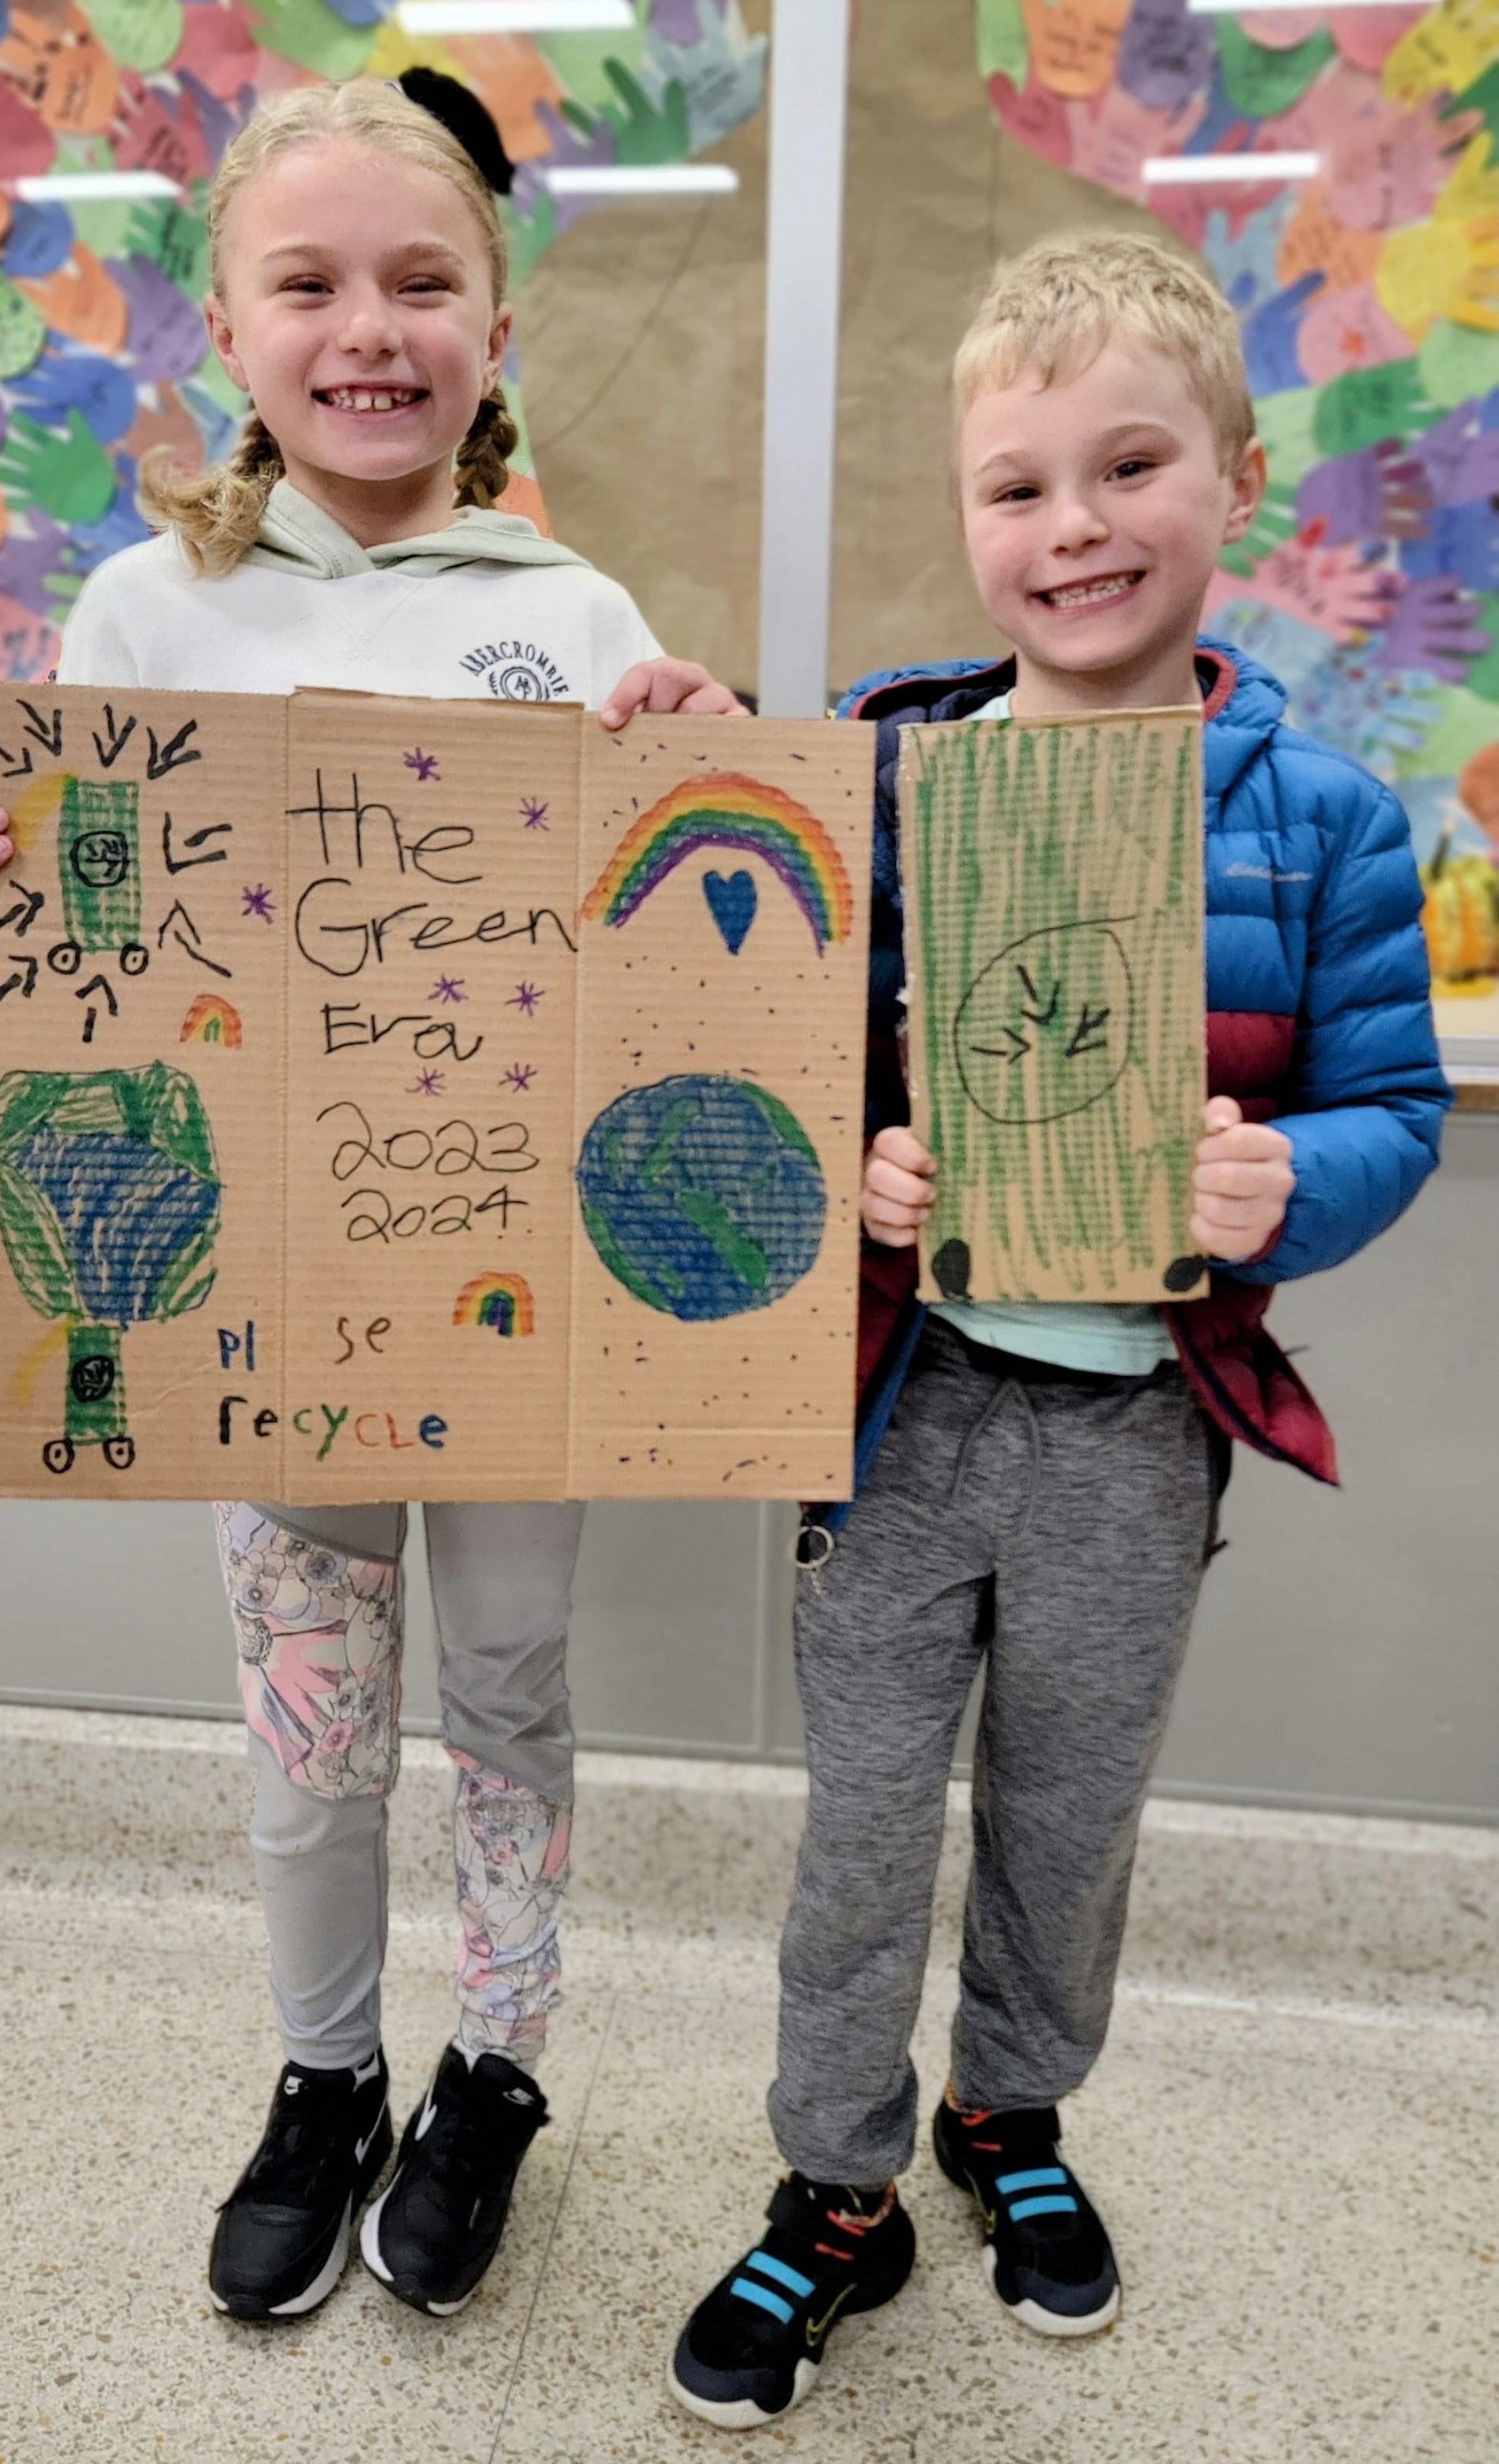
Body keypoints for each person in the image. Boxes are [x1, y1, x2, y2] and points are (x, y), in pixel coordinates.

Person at [0, 76, 742, 2329]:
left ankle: (495, 2066)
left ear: (494, 321)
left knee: (509, 1687)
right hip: (260, 1296)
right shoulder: (144, 606)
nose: (366, 326)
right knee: (302, 1710)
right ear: (230, 327)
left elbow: (670, 964)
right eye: (308, 281)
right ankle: (318, 2073)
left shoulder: (571, 614)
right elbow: (99, 971)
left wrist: (701, 754)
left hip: (511, 1295)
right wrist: (3, 898)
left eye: (418, 280)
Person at [667, 233, 1452, 2431]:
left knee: (1065, 1811)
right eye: (1016, 485)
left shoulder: (1316, 820)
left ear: (1238, 478)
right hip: (902, 1418)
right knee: (856, 1823)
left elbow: (1386, 1100)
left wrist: (1286, 1178)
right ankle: (831, 2180)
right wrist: (862, 1175)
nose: (1073, 524)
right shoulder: (886, 787)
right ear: (965, 517)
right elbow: (763, 1064)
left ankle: (1006, 2116)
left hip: (1132, 1432)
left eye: (1128, 464)